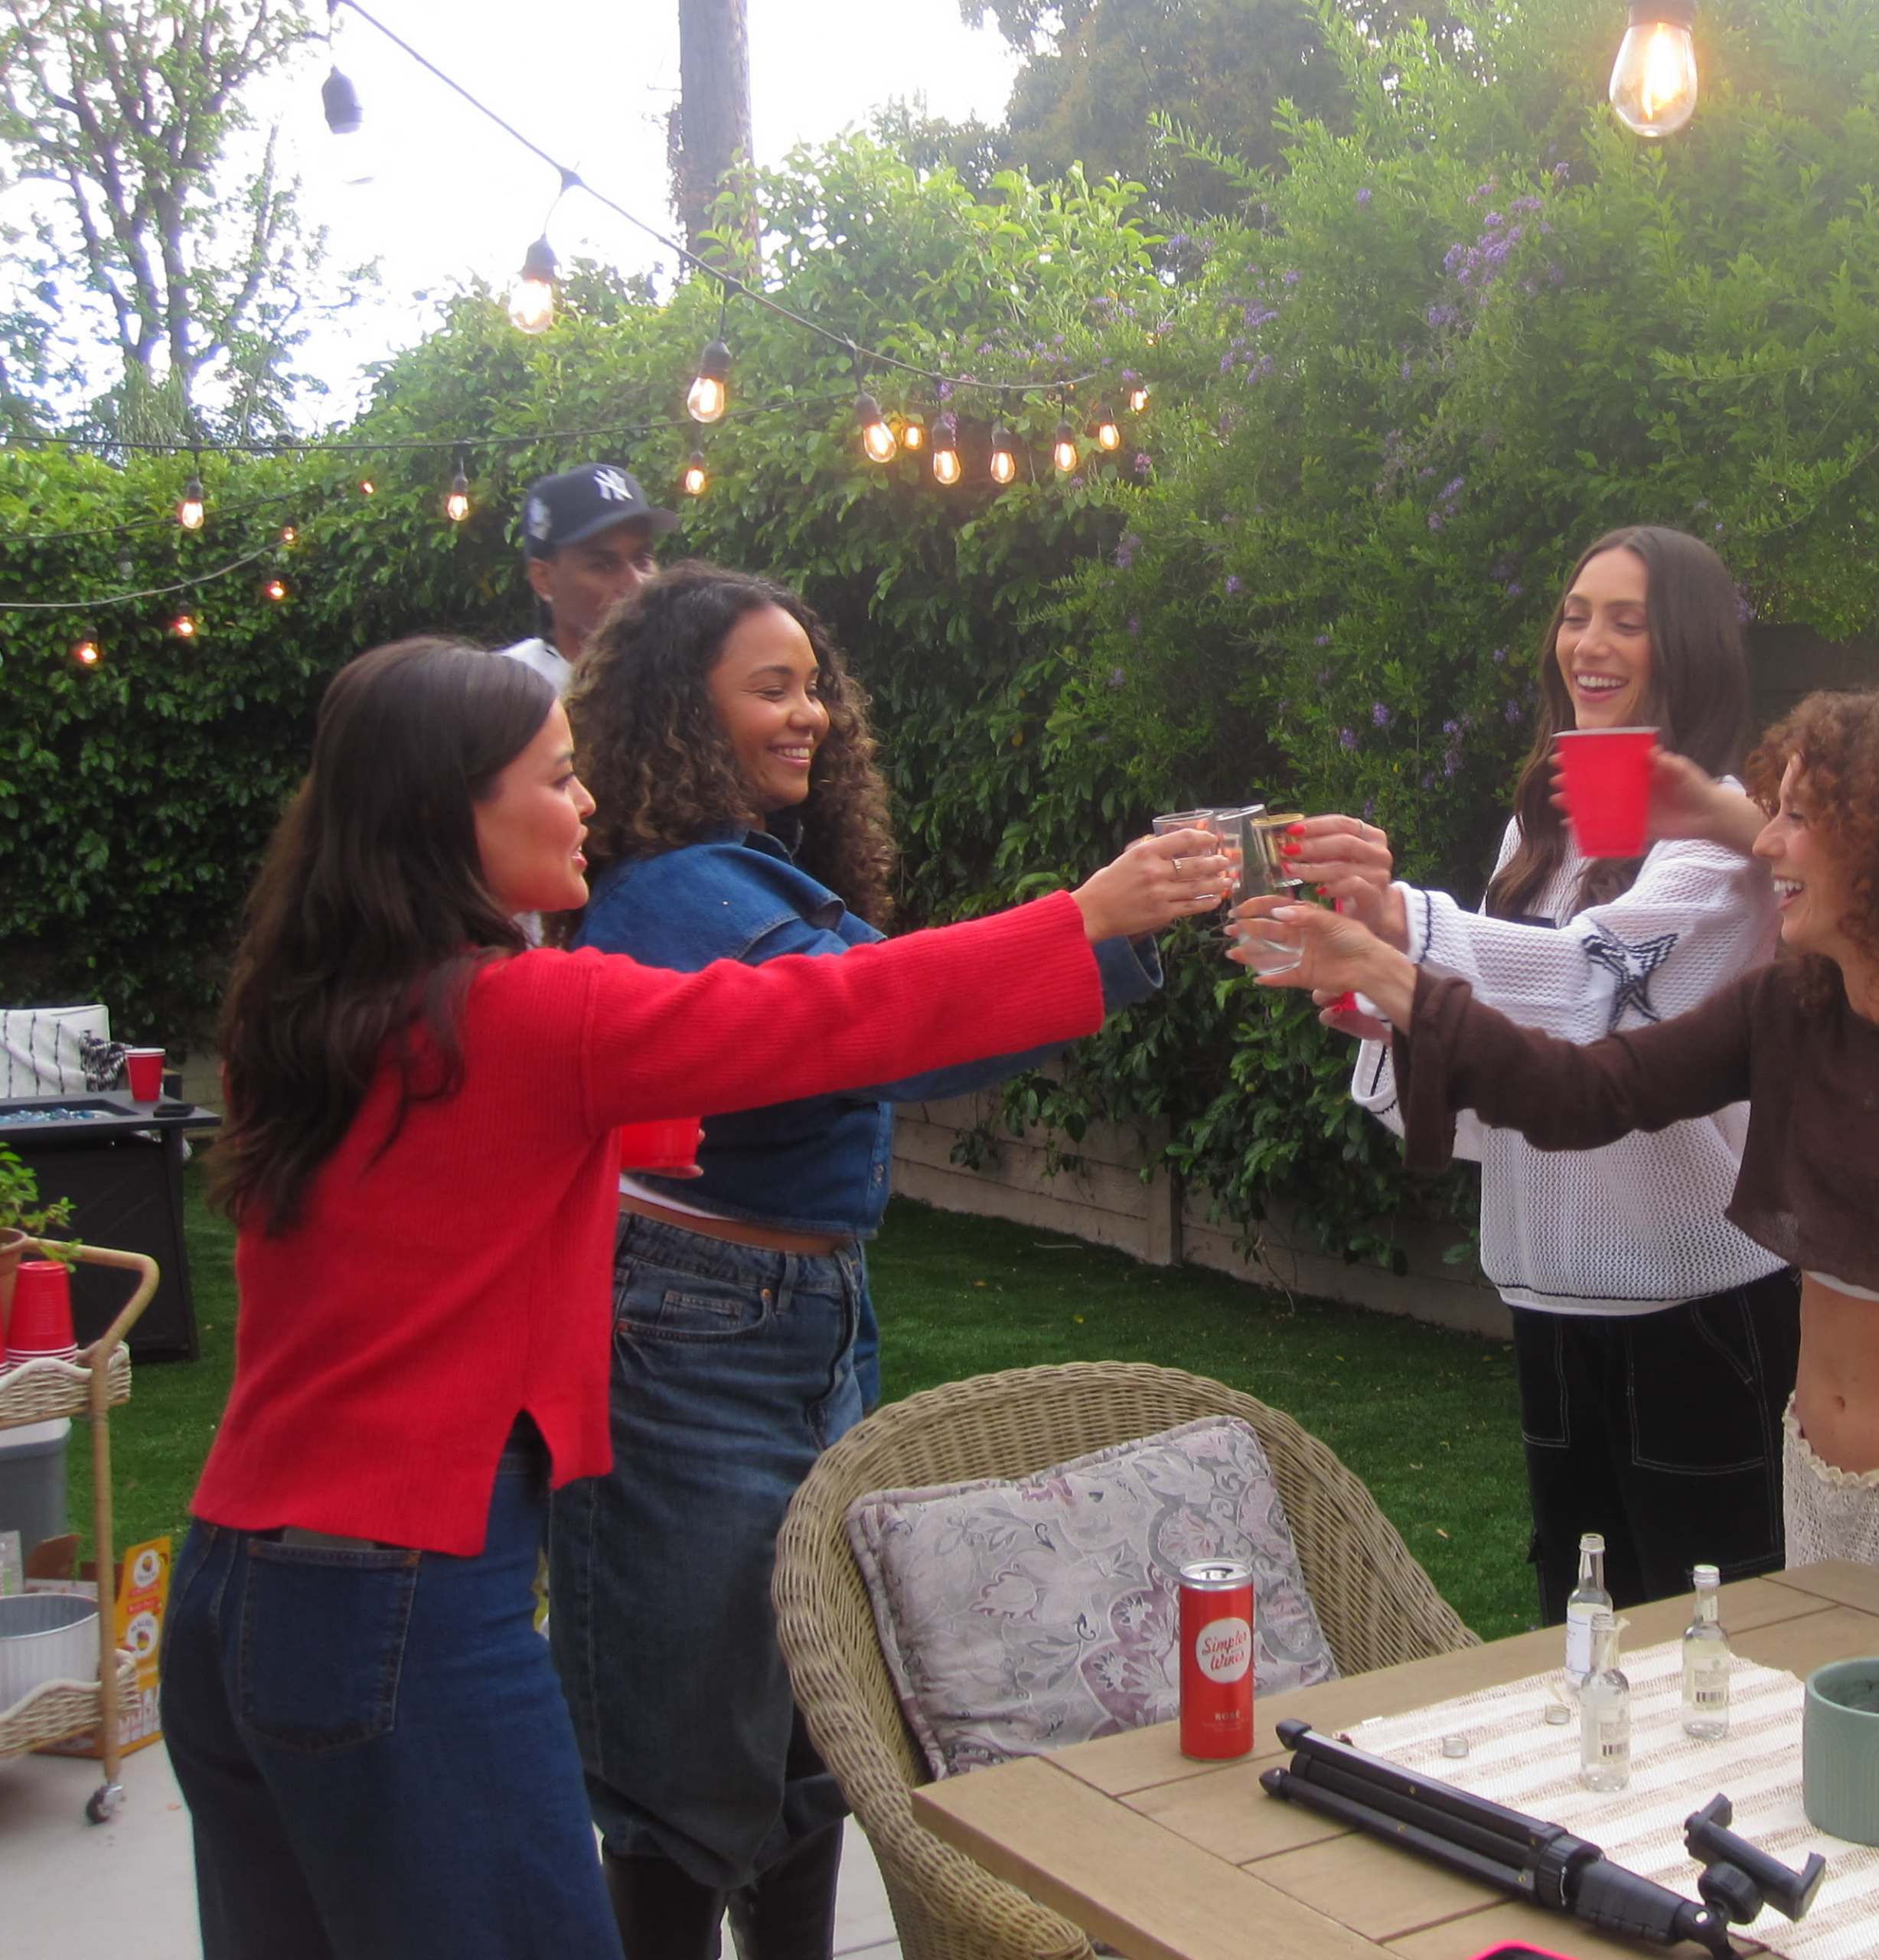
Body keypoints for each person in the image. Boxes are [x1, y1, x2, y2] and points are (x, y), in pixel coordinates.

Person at [161, 637, 1227, 1960]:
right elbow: (830, 1015)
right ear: (452, 818)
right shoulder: (526, 1020)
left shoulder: (307, 1009)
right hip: (404, 1610)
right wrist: (1088, 919)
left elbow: (618, 1126)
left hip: (226, 1604)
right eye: (555, 779)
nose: (589, 804)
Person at [1248, 680, 1879, 1662]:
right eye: (1772, 812)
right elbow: (1580, 1093)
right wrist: (1391, 974)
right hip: (1812, 1492)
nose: (1767, 844)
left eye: (1800, 819)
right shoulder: (1789, 1012)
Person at [546, 564, 1166, 1958]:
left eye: (814, 686)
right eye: (772, 688)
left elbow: (914, 1038)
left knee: (810, 1718)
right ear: (679, 714)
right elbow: (883, 1028)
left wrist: (1115, 941)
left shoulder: (758, 876)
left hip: (806, 1313)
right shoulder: (677, 891)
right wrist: (1092, 923)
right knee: (682, 1748)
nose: (811, 714)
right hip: (691, 1335)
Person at [1285, 527, 1793, 1624]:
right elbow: (1511, 1046)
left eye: (1625, 619)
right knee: (1582, 1621)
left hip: (1696, 1302)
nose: (1588, 643)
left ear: (1688, 648)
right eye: (1574, 614)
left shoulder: (1728, 839)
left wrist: (1406, 930)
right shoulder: (1540, 828)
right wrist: (1385, 1014)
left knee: (1714, 1635)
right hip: (1550, 1290)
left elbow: (1585, 995)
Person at [503, 462, 674, 690]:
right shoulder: (506, 691)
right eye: (603, 565)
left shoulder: (689, 677)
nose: (636, 582)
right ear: (543, 580)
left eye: (642, 559)